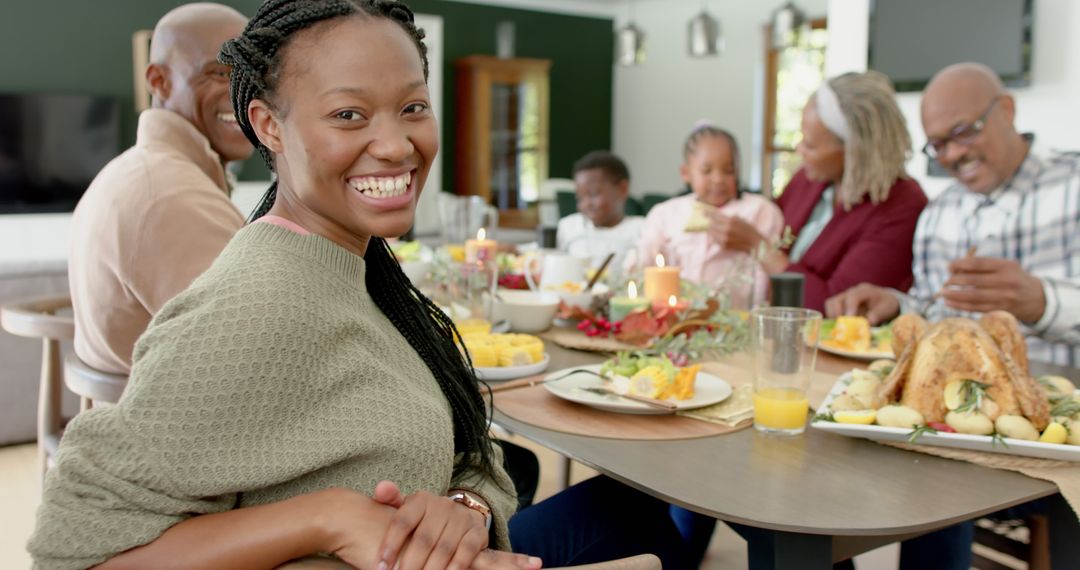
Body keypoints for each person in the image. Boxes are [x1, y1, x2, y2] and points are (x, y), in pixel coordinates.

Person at [29, 2, 697, 569]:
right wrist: (329, 519)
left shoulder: (361, 267)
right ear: (269, 126)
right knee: (644, 517)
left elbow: (471, 447)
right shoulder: (255, 301)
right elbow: (73, 542)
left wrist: (466, 509)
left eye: (411, 107)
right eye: (349, 115)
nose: (396, 145)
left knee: (638, 508)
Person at [825, 62, 1080, 367]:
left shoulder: (1072, 185)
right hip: (952, 402)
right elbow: (935, 311)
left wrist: (1042, 301)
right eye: (938, 145)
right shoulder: (937, 214)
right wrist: (896, 305)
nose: (954, 154)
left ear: (1006, 110)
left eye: (964, 132)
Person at [67, 3, 253, 375]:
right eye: (219, 72)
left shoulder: (146, 172)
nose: (243, 92)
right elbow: (249, 355)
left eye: (255, 75)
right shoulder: (172, 195)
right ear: (158, 81)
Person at [760, 71, 927, 312]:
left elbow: (836, 307)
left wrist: (761, 251)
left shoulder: (901, 206)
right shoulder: (809, 180)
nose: (800, 150)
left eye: (810, 145)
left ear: (855, 152)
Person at [634, 124, 784, 304]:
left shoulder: (760, 210)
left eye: (728, 171)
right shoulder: (665, 214)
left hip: (738, 318)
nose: (718, 179)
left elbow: (765, 275)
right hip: (678, 317)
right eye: (706, 171)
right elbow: (641, 262)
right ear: (686, 173)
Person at [556, 150, 643, 269]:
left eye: (593, 194)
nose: (586, 204)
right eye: (580, 197)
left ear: (623, 189)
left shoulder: (641, 229)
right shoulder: (569, 227)